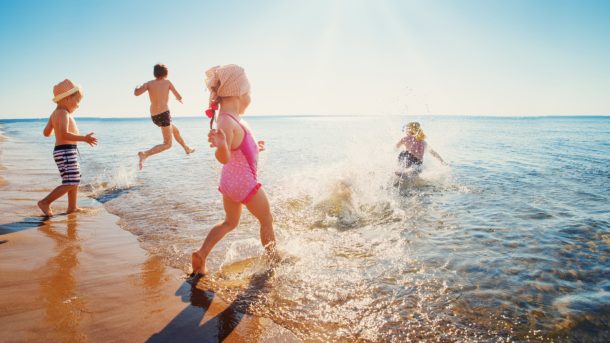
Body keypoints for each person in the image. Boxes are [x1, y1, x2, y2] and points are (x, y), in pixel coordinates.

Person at [191, 64, 276, 276]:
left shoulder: (230, 119)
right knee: (266, 220)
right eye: (249, 93)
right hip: (245, 184)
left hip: (229, 183)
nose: (250, 97)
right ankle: (273, 260)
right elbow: (224, 156)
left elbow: (239, 148)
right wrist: (221, 145)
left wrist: (257, 147)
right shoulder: (226, 122)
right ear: (239, 93)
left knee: (230, 222)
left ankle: (202, 254)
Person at [37, 79, 98, 217]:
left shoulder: (55, 113)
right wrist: (84, 138)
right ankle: (45, 202)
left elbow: (46, 133)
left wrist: (54, 128)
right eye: (77, 101)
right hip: (65, 151)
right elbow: (64, 133)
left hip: (64, 151)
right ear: (68, 98)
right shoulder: (63, 113)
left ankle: (72, 207)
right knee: (71, 181)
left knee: (73, 179)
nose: (78, 106)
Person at [134, 64, 194, 170]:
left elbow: (137, 93)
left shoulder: (149, 84)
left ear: (155, 73)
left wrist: (138, 86)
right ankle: (145, 154)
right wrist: (178, 99)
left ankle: (186, 148)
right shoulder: (167, 82)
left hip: (154, 116)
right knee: (167, 144)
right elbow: (179, 96)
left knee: (175, 130)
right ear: (166, 73)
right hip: (164, 114)